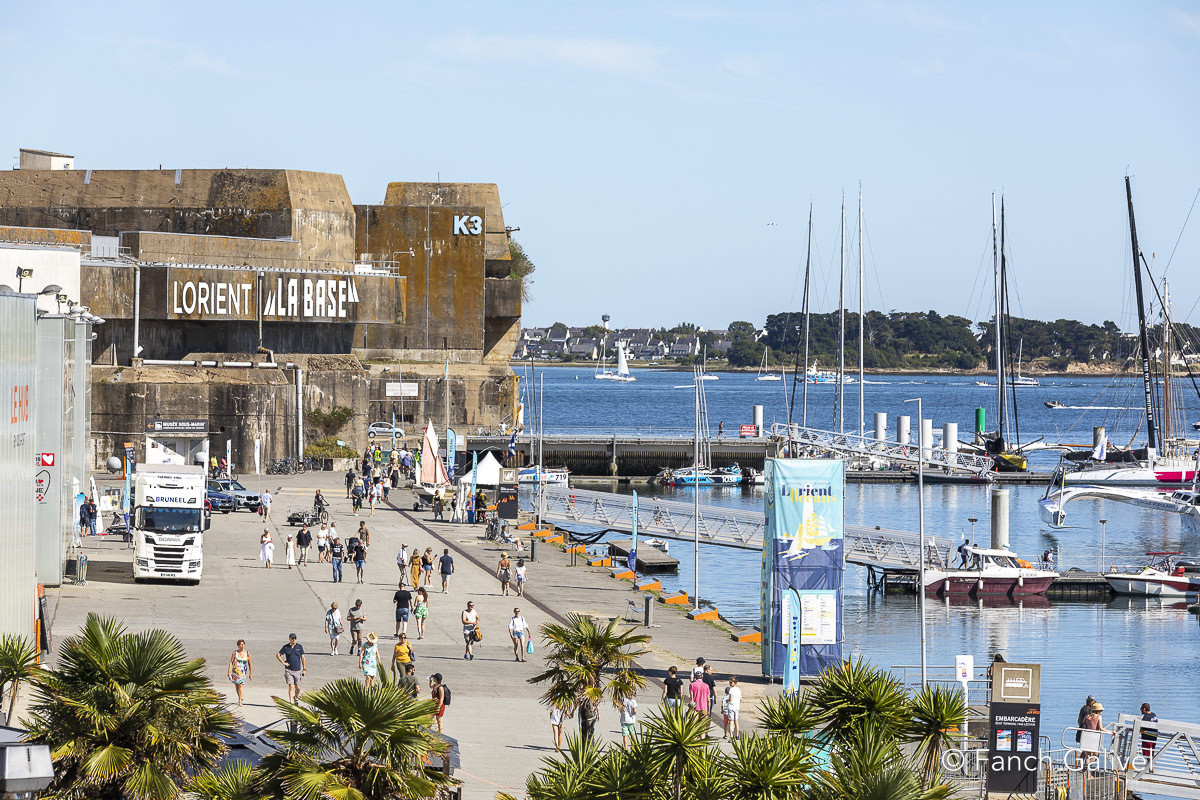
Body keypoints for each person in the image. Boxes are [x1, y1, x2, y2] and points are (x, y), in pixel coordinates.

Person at [276, 633, 306, 702]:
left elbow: (303, 658)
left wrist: (304, 669)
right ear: (290, 639)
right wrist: (283, 662)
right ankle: (290, 702)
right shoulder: (286, 647)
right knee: (291, 686)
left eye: (295, 638)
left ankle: (296, 697)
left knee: (298, 687)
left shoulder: (299, 647)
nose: (294, 640)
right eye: (292, 638)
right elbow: (278, 655)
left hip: (297, 670)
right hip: (289, 670)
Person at [227, 639, 252, 708]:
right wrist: (229, 672)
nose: (242, 645)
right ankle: (240, 696)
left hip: (243, 672)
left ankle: (240, 700)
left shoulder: (247, 653)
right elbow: (231, 662)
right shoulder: (235, 653)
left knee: (240, 685)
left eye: (243, 644)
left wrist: (250, 673)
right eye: (241, 644)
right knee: (236, 685)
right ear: (238, 645)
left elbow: (250, 664)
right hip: (235, 671)